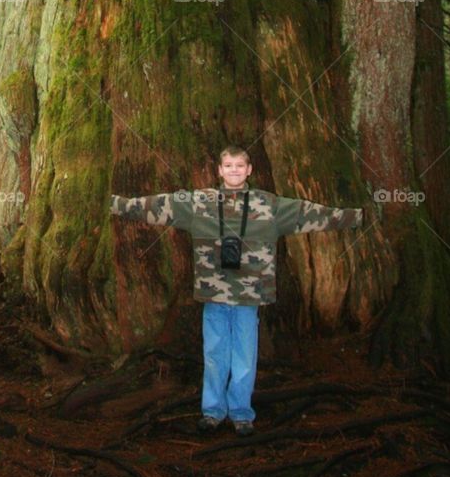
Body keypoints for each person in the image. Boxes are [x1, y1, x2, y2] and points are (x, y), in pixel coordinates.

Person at [110, 145, 364, 435]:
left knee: (244, 354)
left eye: (239, 166)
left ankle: (242, 413)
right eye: (228, 165)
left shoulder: (268, 205)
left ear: (249, 170)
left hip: (248, 296)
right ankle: (213, 411)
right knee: (215, 353)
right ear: (219, 170)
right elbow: (156, 206)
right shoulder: (199, 202)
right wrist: (115, 204)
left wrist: (354, 217)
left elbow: (309, 214)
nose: (233, 170)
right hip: (214, 295)